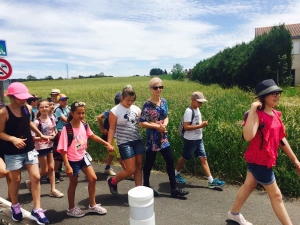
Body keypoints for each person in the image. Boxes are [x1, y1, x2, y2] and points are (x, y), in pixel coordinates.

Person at [227, 79, 300, 225]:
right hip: (259, 161)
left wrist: (296, 160)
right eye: (272, 93)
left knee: (249, 185)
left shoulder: (275, 114)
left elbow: (281, 140)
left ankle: (233, 213)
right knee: (277, 196)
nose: (276, 96)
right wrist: (253, 110)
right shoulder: (256, 115)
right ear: (263, 96)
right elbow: (248, 136)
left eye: (278, 93)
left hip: (263, 160)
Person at [0, 82, 50, 224]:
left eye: (24, 97)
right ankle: (15, 205)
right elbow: (0, 132)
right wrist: (13, 139)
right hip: (12, 152)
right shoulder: (4, 113)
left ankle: (37, 209)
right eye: (20, 97)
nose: (23, 100)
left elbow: (28, 123)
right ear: (11, 96)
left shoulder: (27, 108)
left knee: (35, 177)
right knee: (15, 180)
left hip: (29, 149)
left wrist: (40, 134)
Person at [57, 101, 113, 217]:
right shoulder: (66, 129)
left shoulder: (84, 124)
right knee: (74, 183)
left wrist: (106, 143)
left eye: (83, 113)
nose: (81, 115)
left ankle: (92, 205)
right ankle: (71, 208)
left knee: (93, 178)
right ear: (72, 113)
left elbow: (92, 136)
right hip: (72, 160)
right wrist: (67, 165)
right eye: (78, 113)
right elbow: (63, 150)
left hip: (83, 156)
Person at [139, 77, 189, 198]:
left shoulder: (164, 101)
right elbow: (141, 123)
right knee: (149, 163)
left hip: (163, 137)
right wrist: (157, 127)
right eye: (156, 87)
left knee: (170, 160)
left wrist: (164, 125)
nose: (158, 89)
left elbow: (166, 116)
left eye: (161, 87)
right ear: (150, 89)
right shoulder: (147, 105)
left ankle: (174, 188)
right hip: (152, 138)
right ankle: (146, 186)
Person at [174, 92, 226, 188]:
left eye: (202, 102)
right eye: (199, 102)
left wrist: (201, 125)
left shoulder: (197, 109)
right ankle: (175, 174)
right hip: (190, 140)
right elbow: (186, 127)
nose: (201, 104)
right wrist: (201, 125)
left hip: (198, 138)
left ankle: (211, 181)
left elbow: (195, 122)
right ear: (193, 100)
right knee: (185, 157)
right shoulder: (189, 111)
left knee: (203, 158)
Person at [107, 85, 144, 195]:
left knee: (139, 165)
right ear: (122, 97)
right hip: (124, 142)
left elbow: (142, 123)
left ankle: (139, 190)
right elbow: (112, 128)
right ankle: (112, 181)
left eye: (132, 100)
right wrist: (109, 144)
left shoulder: (137, 109)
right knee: (130, 169)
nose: (130, 103)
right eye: (128, 100)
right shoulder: (115, 111)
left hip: (137, 139)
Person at [29, 99, 64, 198]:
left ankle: (53, 189)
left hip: (50, 146)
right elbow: (33, 138)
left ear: (49, 108)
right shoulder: (36, 122)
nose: (44, 109)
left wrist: (53, 135)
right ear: (38, 109)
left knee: (52, 168)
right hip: (40, 148)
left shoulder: (51, 119)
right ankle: (31, 181)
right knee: (44, 169)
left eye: (46, 107)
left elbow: (53, 131)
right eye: (42, 107)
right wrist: (44, 137)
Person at [97, 92, 126, 176]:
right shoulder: (112, 111)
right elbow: (99, 117)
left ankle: (107, 168)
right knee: (119, 154)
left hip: (119, 135)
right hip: (113, 136)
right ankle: (127, 172)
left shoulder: (120, 110)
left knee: (112, 153)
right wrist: (103, 129)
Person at [53, 93, 70, 182]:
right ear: (59, 101)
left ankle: (58, 171)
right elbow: (66, 120)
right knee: (59, 153)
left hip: (66, 131)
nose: (65, 101)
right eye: (63, 100)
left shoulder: (67, 108)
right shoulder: (58, 110)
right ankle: (55, 172)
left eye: (66, 100)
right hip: (60, 131)